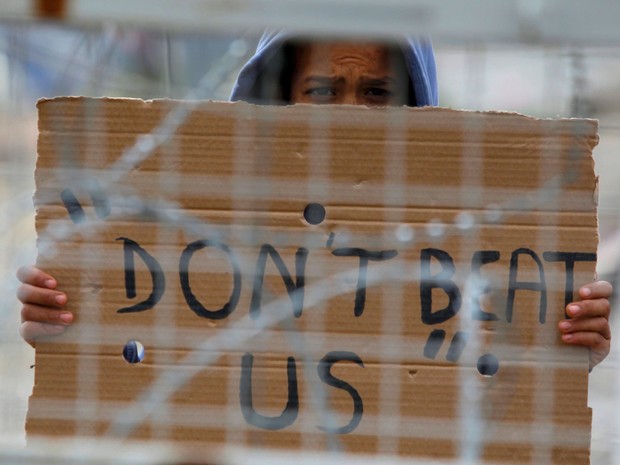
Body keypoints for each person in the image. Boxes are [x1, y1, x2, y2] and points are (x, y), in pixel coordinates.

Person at [17, 32, 612, 370]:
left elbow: (500, 390)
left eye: (377, 92)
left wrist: (566, 341)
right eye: (323, 90)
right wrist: (68, 322)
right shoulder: (205, 221)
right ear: (281, 96)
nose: (350, 115)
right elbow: (146, 365)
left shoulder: (468, 232)